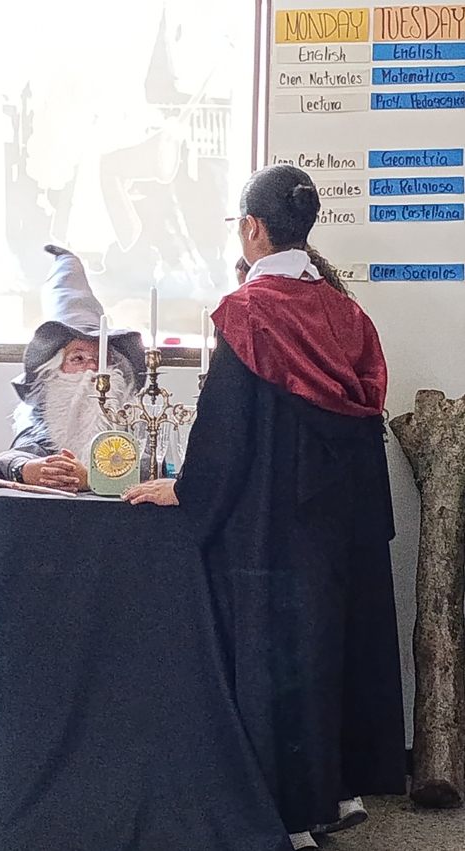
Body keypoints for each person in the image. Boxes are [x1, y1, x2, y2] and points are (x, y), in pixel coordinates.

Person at [124, 165, 406, 850]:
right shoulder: (349, 314)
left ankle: (283, 816)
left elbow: (226, 431)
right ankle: (334, 796)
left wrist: (186, 490)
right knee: (329, 652)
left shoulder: (248, 312)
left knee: (271, 661)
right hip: (342, 525)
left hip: (271, 529)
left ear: (252, 228)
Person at [0, 249, 145, 491]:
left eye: (101, 359)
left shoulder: (134, 416)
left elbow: (152, 464)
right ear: (56, 367)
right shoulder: (41, 414)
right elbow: (17, 454)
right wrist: (29, 469)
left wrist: (94, 478)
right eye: (78, 358)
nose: (92, 368)